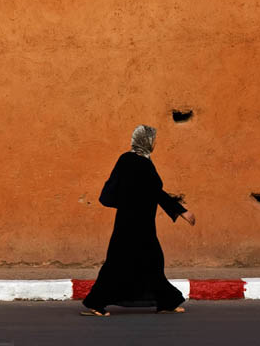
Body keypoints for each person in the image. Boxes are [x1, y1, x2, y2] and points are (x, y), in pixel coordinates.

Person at [81, 124, 197, 317]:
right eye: (153, 140)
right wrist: (181, 211)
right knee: (122, 263)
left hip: (137, 223)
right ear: (146, 141)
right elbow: (154, 191)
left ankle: (166, 302)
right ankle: (96, 303)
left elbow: (144, 191)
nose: (155, 143)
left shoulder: (138, 160)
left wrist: (180, 211)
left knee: (149, 262)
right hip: (133, 225)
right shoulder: (134, 161)